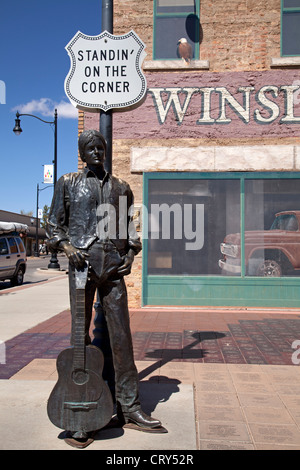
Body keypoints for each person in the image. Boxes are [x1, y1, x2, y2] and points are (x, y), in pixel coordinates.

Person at [46, 129, 162, 437]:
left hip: (112, 268)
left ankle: (130, 405)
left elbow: (128, 225)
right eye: (91, 148)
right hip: (81, 266)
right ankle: (78, 409)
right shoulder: (68, 183)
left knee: (121, 337)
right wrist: (67, 247)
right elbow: (52, 223)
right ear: (83, 153)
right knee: (79, 336)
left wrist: (132, 253)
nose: (97, 152)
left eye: (101, 147)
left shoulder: (121, 187)